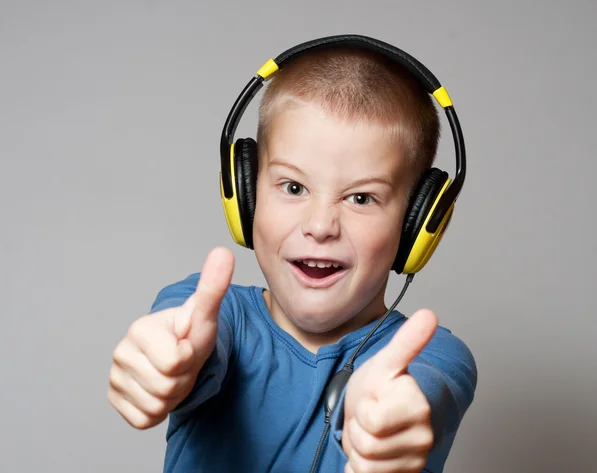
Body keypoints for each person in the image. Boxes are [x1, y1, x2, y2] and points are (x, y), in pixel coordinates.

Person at [107, 35, 477, 473]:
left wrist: (385, 417)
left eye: (361, 198)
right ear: (244, 196)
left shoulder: (432, 356)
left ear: (419, 224)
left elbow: (424, 393)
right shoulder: (210, 313)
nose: (320, 226)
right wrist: (164, 362)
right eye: (294, 187)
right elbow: (186, 340)